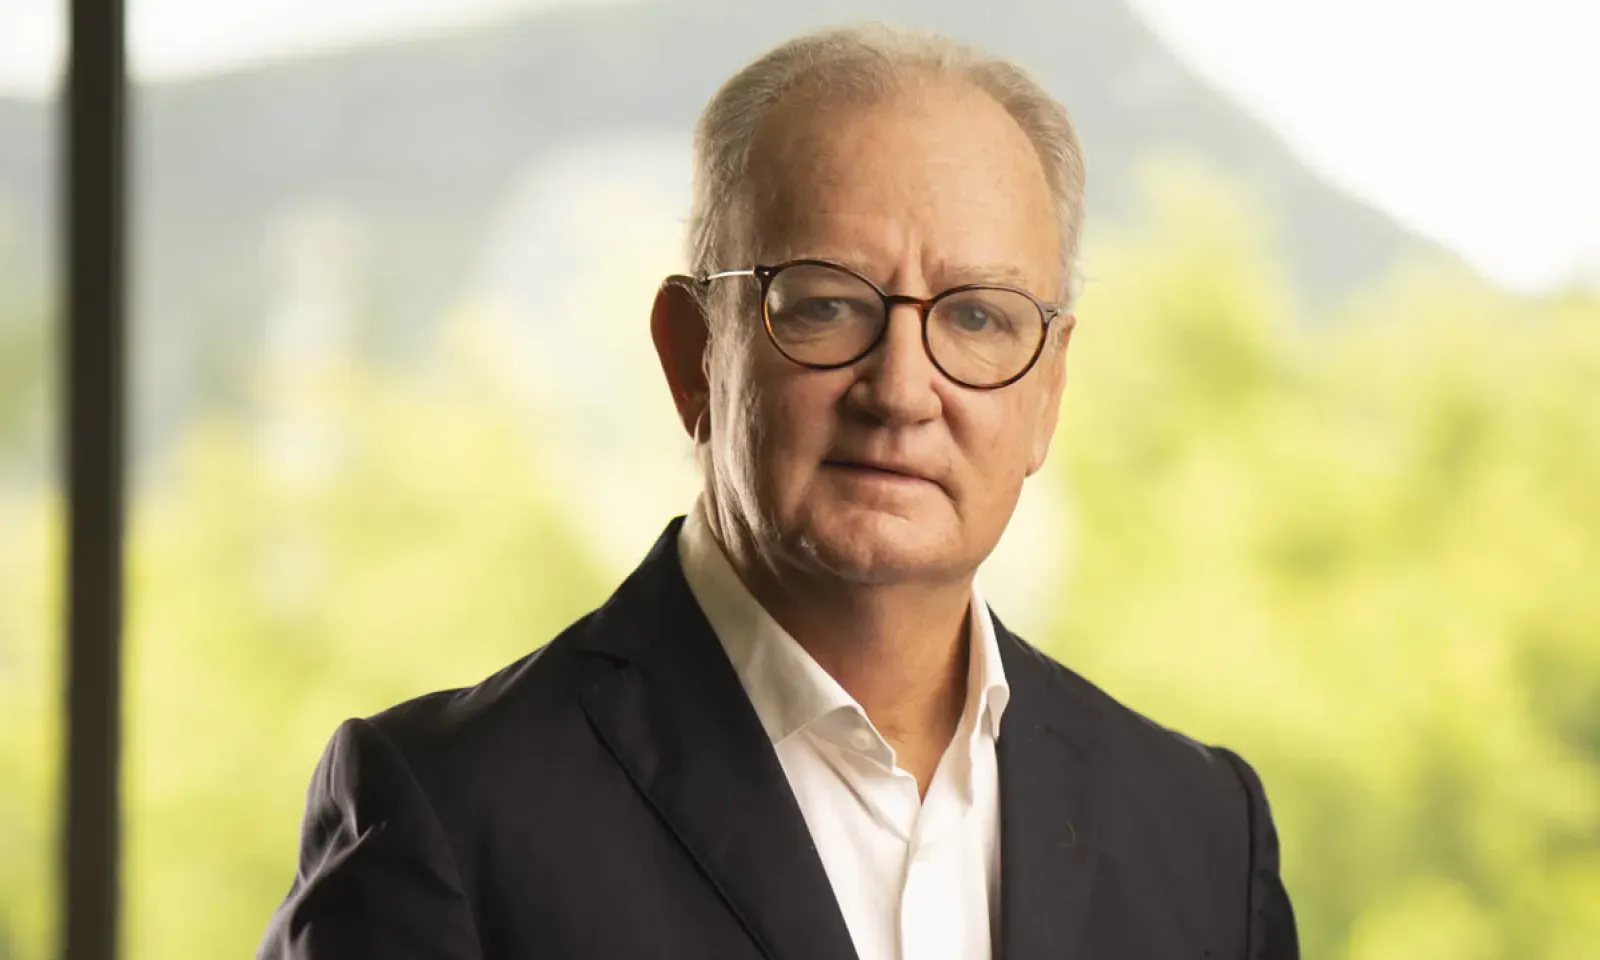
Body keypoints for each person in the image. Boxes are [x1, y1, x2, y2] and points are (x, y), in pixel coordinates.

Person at [257, 23, 1298, 960]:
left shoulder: (1203, 834)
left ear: (1048, 392)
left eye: (978, 318)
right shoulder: (449, 814)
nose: (901, 391)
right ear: (691, 355)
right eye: (826, 305)